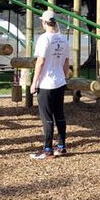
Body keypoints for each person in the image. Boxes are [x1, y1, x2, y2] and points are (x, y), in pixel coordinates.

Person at [30, 10, 70, 160]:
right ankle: (61, 146)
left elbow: (40, 62)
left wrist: (34, 83)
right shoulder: (63, 39)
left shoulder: (44, 39)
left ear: (45, 23)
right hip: (59, 81)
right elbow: (66, 61)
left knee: (46, 117)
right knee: (59, 114)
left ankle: (47, 149)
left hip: (46, 83)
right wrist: (64, 77)